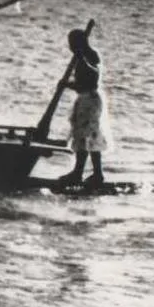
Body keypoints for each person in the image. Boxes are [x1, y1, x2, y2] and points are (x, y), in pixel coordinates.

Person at [58, 24, 110, 189]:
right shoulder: (80, 58)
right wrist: (67, 84)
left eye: (73, 44)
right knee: (82, 134)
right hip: (84, 98)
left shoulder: (91, 55)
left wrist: (82, 59)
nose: (70, 47)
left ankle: (86, 174)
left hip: (91, 99)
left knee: (89, 135)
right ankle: (86, 173)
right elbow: (81, 84)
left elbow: (93, 76)